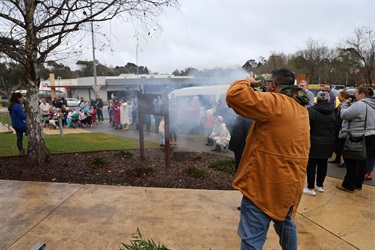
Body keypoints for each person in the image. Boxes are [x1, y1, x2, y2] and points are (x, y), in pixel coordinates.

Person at [226, 68, 310, 249]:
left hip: (263, 185)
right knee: (286, 224)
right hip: (289, 186)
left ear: (273, 85)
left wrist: (247, 81)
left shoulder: (276, 102)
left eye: (268, 83)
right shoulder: (301, 109)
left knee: (251, 239)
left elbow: (234, 96)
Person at [336, 86, 375, 192]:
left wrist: (344, 105)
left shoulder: (360, 104)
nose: (354, 96)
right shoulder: (372, 104)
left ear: (362, 94)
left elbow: (344, 115)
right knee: (363, 160)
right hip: (371, 135)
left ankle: (348, 185)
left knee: (352, 160)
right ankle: (358, 184)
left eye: (356, 93)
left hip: (358, 136)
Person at [303, 91, 336, 196]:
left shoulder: (312, 111)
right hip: (329, 142)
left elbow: (307, 126)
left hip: (314, 141)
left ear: (317, 99)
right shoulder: (333, 112)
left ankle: (310, 187)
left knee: (311, 165)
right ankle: (320, 185)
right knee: (323, 164)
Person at [329, 90, 350, 166]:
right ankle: (337, 158)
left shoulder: (346, 105)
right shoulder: (341, 105)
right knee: (338, 144)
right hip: (338, 126)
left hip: (342, 127)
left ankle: (345, 161)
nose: (338, 97)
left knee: (342, 145)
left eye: (339, 96)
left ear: (343, 97)